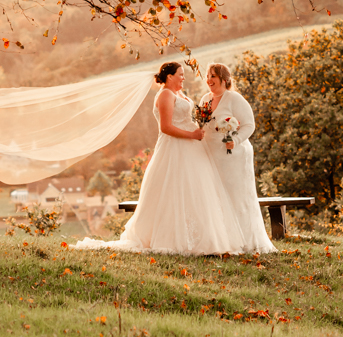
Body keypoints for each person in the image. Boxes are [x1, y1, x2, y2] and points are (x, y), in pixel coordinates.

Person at [76, 62, 248, 255]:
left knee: (195, 191)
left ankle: (202, 238)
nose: (184, 77)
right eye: (180, 74)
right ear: (169, 77)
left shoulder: (178, 94)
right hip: (175, 148)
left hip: (192, 149)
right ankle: (174, 238)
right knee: (174, 190)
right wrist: (192, 135)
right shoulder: (165, 94)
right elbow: (166, 127)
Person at [198, 62, 276, 254]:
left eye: (213, 77)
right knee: (215, 197)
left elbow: (249, 125)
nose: (209, 80)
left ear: (224, 79)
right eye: (207, 76)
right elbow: (201, 124)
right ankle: (221, 241)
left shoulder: (234, 99)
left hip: (233, 157)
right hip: (210, 156)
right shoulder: (205, 100)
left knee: (236, 197)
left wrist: (236, 139)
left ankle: (245, 242)